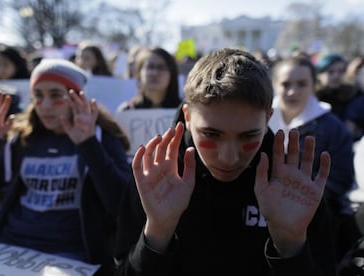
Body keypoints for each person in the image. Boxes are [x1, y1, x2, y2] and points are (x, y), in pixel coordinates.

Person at [113, 48, 336, 275]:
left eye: (248, 136)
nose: (228, 157)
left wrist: (291, 245)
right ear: (188, 118)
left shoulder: (291, 182)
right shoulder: (156, 175)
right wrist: (157, 233)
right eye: (211, 134)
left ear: (268, 118)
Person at [0, 58, 131, 276]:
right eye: (38, 96)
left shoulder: (101, 138)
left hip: (69, 256)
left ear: (77, 97)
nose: (45, 105)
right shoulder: (24, 139)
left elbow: (122, 206)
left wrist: (88, 145)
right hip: (11, 248)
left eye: (56, 95)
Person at [268, 56, 361, 267]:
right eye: (285, 84)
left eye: (301, 84)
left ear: (313, 85)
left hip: (317, 218)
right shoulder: (260, 120)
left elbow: (340, 178)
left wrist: (297, 197)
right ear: (274, 84)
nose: (292, 91)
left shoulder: (334, 129)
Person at [315, 53, 364, 141]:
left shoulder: (353, 95)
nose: (336, 76)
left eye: (341, 71)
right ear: (319, 74)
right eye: (330, 72)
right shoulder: (313, 98)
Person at [117, 47, 182, 111]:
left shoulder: (185, 111)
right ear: (139, 73)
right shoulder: (127, 110)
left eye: (161, 68)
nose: (155, 73)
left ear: (172, 74)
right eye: (150, 67)